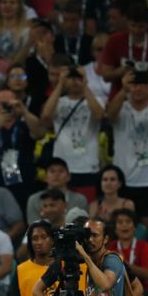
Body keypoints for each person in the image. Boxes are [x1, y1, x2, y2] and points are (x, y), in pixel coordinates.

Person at [106, 71, 148, 225]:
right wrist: (123, 91)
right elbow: (110, 116)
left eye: (142, 85)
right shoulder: (122, 107)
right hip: (123, 180)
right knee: (120, 224)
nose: (138, 89)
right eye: (134, 85)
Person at [40, 66, 105, 202]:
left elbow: (99, 115)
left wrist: (85, 83)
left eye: (78, 78)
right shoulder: (59, 101)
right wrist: (60, 84)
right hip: (62, 165)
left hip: (87, 165)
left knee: (86, 207)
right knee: (59, 205)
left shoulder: (95, 99)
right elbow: (46, 116)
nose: (75, 81)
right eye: (71, 78)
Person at [75, 216, 138, 296]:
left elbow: (105, 285)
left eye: (95, 235)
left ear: (105, 239)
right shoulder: (94, 267)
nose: (90, 240)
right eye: (87, 235)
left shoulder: (111, 259)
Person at [98, 2, 148, 98]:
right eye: (133, 25)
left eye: (141, 26)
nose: (136, 30)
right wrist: (121, 71)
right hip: (120, 97)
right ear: (127, 22)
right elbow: (105, 76)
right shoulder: (114, 40)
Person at [11, 220, 57, 296]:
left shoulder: (64, 267)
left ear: (52, 240)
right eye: (35, 238)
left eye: (44, 237)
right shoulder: (21, 270)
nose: (39, 242)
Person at [107, 208, 148, 293]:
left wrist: (125, 264)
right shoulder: (110, 247)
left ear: (135, 226)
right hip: (115, 291)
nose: (124, 225)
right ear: (115, 228)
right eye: (120, 222)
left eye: (128, 221)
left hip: (139, 291)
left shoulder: (143, 246)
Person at [0, 0, 31, 64]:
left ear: (19, 7)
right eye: (4, 2)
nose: (7, 6)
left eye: (12, 3)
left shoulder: (26, 32)